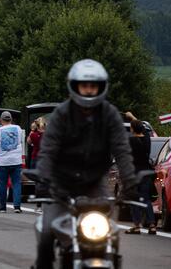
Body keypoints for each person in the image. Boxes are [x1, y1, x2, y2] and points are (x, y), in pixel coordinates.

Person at [34, 59, 139, 269]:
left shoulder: (109, 114)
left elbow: (122, 149)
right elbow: (48, 150)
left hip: (94, 184)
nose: (89, 90)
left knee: (111, 233)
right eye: (84, 85)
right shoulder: (61, 115)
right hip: (60, 186)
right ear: (75, 86)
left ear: (101, 87)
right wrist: (43, 180)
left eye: (93, 86)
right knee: (46, 233)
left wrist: (130, 182)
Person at [0, 110, 24, 213]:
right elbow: (20, 140)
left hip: (3, 161)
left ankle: (3, 206)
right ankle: (17, 206)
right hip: (16, 160)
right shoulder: (17, 128)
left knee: (3, 184)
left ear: (1, 120)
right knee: (17, 183)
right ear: (11, 119)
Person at [126, 120, 156, 234]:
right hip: (146, 173)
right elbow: (144, 130)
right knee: (146, 199)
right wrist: (132, 117)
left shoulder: (130, 140)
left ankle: (137, 226)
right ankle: (152, 225)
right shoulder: (147, 139)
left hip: (133, 173)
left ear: (132, 129)